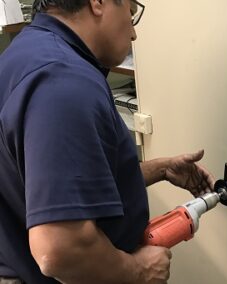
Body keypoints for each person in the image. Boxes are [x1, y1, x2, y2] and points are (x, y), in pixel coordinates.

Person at [0, 0, 215, 283]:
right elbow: (60, 249)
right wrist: (137, 271)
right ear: (98, 3)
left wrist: (161, 169)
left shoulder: (29, 49)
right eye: (131, 13)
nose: (134, 34)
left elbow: (60, 185)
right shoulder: (65, 83)